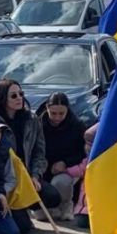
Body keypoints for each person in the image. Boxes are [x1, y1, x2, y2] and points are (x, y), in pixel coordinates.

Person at [0, 78, 60, 232]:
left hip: (26, 176)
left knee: (53, 196)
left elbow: (39, 152)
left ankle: (24, 208)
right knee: (22, 228)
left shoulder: (32, 119)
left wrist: (35, 175)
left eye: (20, 94)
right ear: (3, 98)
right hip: (5, 180)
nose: (19, 98)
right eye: (13, 96)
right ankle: (7, 212)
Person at [41, 93, 86, 221]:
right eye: (53, 113)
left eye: (61, 113)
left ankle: (66, 205)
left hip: (68, 169)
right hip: (44, 169)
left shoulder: (77, 125)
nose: (57, 117)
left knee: (61, 182)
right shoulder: (39, 125)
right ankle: (50, 206)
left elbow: (82, 153)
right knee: (41, 216)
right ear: (47, 108)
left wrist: (65, 163)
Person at [68, 124, 97, 229]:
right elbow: (79, 170)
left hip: (92, 207)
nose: (87, 147)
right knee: (82, 222)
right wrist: (66, 170)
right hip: (84, 208)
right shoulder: (87, 161)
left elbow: (79, 170)